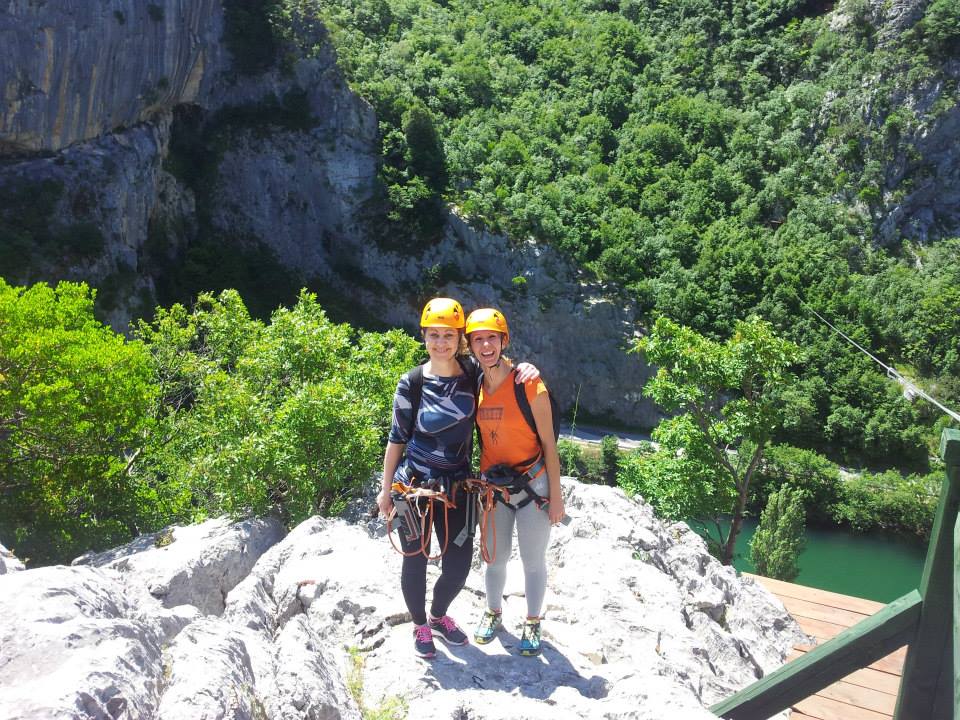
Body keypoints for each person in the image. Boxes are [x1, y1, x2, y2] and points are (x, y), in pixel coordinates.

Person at [378, 298, 539, 659]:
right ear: (423, 337)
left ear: (459, 340)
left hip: (459, 486)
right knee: (415, 557)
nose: (441, 342)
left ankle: (438, 615)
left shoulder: (471, 375)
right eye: (434, 335)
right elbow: (397, 438)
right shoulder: (412, 383)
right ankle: (420, 623)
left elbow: (502, 372)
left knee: (458, 563)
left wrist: (524, 368)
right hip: (415, 485)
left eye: (449, 335)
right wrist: (385, 490)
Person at [466, 307, 564, 657]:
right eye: (478, 339)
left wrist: (557, 496)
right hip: (494, 488)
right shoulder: (474, 383)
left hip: (533, 484)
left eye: (492, 337)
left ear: (503, 340)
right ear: (471, 346)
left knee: (533, 560)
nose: (486, 345)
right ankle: (493, 612)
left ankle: (533, 621)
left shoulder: (529, 383)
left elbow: (549, 443)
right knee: (494, 558)